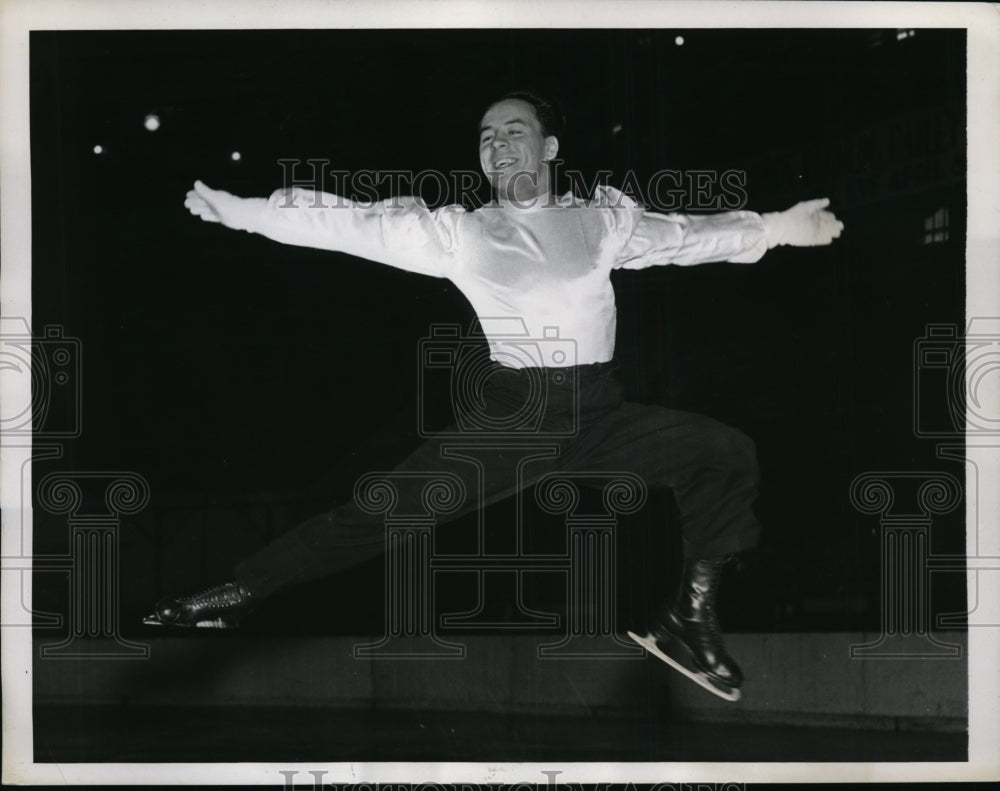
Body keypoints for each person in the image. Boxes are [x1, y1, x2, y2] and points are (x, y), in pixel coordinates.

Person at [146, 90, 843, 696]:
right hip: (517, 421)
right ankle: (237, 591)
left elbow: (686, 237)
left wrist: (781, 227)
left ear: (549, 146)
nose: (497, 144)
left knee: (725, 453)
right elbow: (353, 224)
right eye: (485, 137)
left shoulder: (602, 222)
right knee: (384, 508)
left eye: (512, 130)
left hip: (600, 411)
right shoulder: (465, 234)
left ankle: (688, 619)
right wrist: (247, 211)